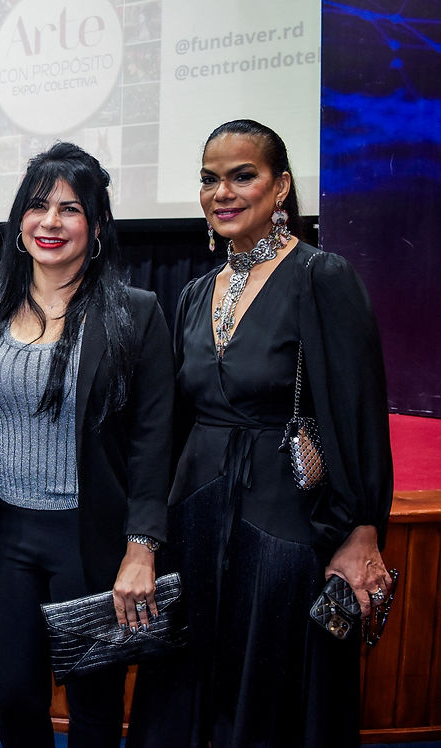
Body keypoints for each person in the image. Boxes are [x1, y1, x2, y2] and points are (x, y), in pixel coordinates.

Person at [127, 119, 395, 748]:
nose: (221, 192)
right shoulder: (195, 293)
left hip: (284, 521)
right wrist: (148, 533)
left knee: (269, 690)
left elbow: (358, 412)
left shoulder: (321, 276)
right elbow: (175, 421)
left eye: (242, 176)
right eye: (209, 179)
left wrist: (362, 532)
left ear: (281, 187)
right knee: (188, 687)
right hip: (195, 517)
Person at [0, 142, 175, 747]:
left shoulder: (135, 313)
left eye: (69, 209)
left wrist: (142, 547)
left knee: (95, 706)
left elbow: (155, 441)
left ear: (96, 227)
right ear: (19, 219)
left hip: (92, 538)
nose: (50, 222)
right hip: (6, 540)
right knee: (12, 694)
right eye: (38, 206)